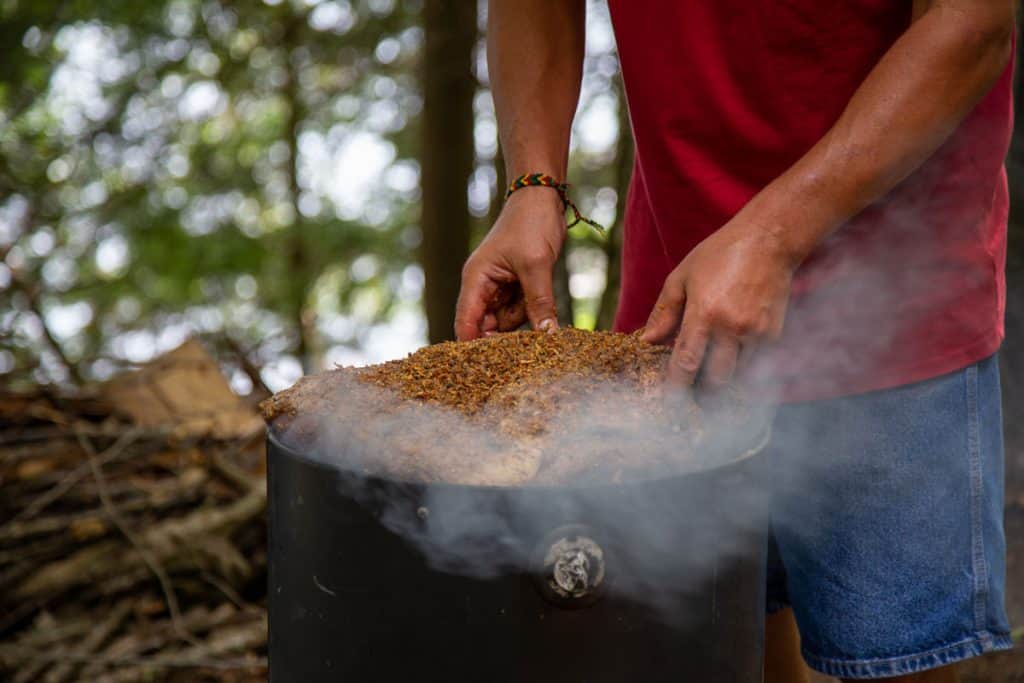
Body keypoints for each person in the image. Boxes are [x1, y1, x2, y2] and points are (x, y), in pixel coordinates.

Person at [454, 1, 1016, 681]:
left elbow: (973, 24)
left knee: (896, 656)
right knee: (717, 647)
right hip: (680, 294)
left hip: (897, 304)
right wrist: (533, 183)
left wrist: (773, 236)